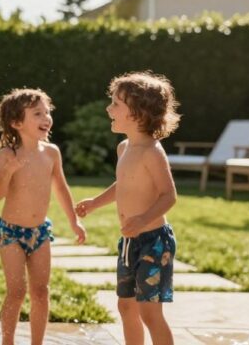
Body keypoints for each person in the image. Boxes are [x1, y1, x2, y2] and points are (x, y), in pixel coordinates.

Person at [76, 72, 180, 345]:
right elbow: (122, 185)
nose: (108, 109)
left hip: (154, 242)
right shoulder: (124, 148)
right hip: (129, 242)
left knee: (150, 313)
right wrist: (95, 202)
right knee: (126, 306)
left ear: (138, 112)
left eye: (115, 104)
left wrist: (143, 219)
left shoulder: (152, 152)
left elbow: (169, 195)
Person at [0, 88, 86, 345]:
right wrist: (8, 172)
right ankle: (7, 342)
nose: (46, 118)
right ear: (16, 123)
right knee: (16, 292)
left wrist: (74, 221)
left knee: (41, 292)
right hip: (11, 232)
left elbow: (61, 188)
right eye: (37, 114)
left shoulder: (51, 153)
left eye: (47, 112)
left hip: (40, 232)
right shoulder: (8, 155)